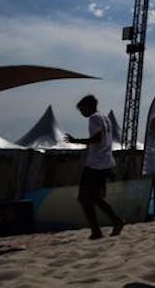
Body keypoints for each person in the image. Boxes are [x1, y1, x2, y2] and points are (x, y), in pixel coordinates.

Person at [64, 94, 125, 239]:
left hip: (95, 164)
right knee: (95, 198)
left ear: (88, 106)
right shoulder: (105, 118)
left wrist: (75, 140)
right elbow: (105, 142)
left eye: (82, 109)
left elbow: (97, 139)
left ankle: (97, 230)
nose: (81, 112)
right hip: (104, 162)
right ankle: (115, 221)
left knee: (84, 198)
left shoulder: (94, 118)